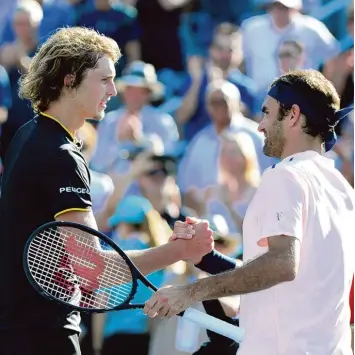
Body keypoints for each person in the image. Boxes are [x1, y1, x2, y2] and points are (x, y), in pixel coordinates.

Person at [0, 27, 214, 355]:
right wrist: (179, 251)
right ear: (69, 79)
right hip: (42, 335)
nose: (113, 90)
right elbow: (93, 271)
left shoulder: (27, 136)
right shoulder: (60, 155)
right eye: (104, 79)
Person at [144, 69, 355, 354]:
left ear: (293, 115)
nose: (260, 125)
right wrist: (208, 259)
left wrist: (190, 292)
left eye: (267, 113)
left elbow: (281, 264)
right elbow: (294, 276)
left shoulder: (284, 175)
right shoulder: (342, 187)